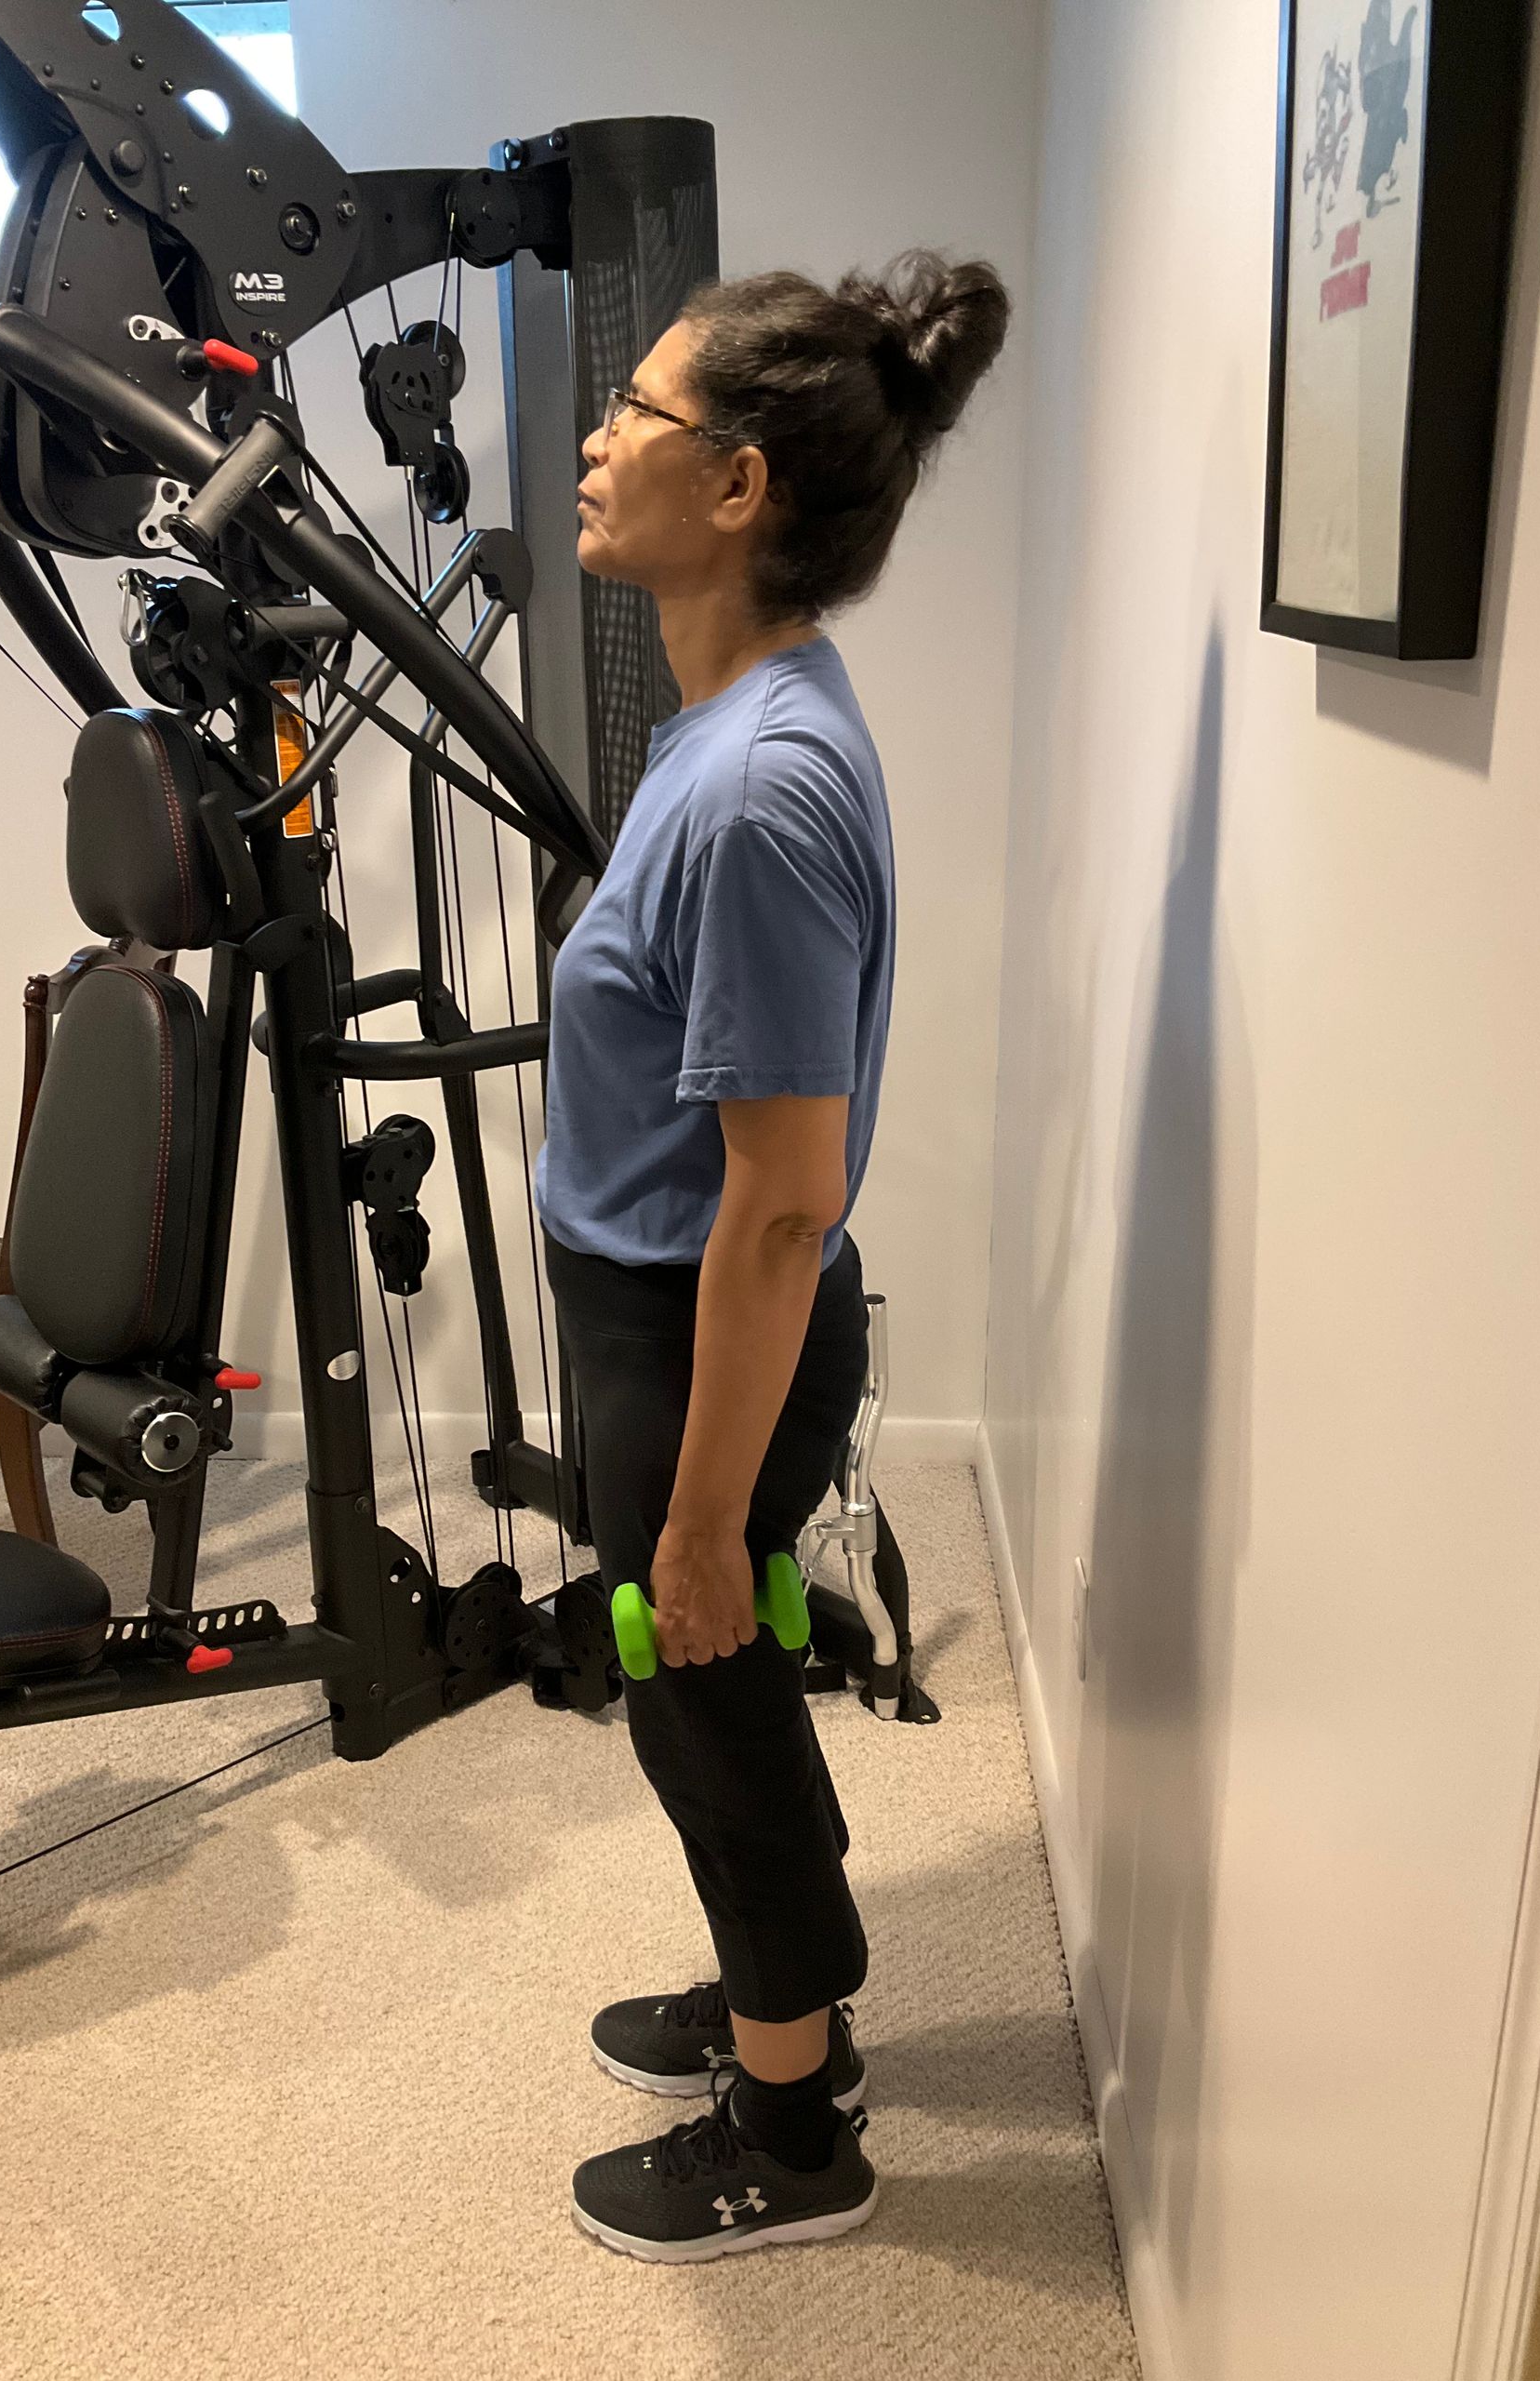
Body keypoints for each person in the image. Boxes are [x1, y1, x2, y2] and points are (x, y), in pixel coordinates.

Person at [538, 247, 1010, 2262]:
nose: (590, 440)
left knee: (700, 1689)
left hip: (699, 1321)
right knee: (699, 1697)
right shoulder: (745, 721)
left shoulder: (755, 792)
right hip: (667, 1306)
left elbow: (785, 1198)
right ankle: (778, 1992)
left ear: (733, 486)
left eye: (630, 413)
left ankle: (796, 2116)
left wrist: (713, 1508)